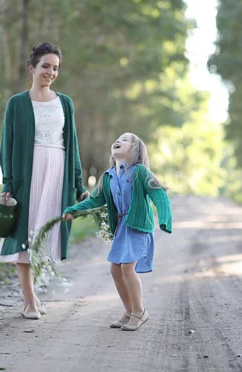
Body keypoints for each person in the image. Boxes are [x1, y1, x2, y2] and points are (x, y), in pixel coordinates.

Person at [0, 42, 89, 320]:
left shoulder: (65, 103)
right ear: (31, 68)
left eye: (55, 67)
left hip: (57, 174)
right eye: (45, 66)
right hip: (28, 175)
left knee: (45, 237)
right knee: (26, 235)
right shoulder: (17, 103)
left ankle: (33, 295)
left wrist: (79, 184)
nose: (51, 72)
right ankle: (29, 301)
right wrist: (8, 182)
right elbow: (7, 145)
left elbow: (72, 145)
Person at [62, 132, 172, 331]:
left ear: (136, 149)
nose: (118, 141)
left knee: (127, 268)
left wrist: (165, 220)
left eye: (125, 140)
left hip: (137, 225)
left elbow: (160, 195)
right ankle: (129, 311)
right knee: (115, 269)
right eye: (117, 139)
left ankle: (140, 312)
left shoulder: (141, 172)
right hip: (122, 227)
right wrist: (73, 210)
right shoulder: (109, 175)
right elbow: (96, 200)